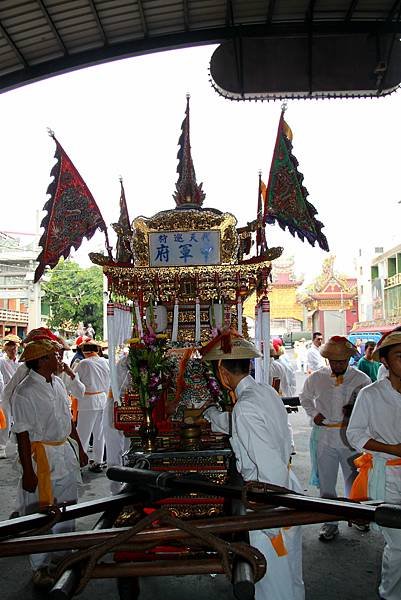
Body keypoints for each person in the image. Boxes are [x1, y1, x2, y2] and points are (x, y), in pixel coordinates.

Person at [201, 331, 304, 600]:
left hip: (270, 499)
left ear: (222, 372)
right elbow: (237, 421)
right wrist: (209, 413)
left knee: (272, 581)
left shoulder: (245, 407)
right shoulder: (264, 392)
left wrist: (267, 522)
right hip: (285, 491)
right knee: (290, 575)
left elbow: (269, 472)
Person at [10, 339, 87, 588]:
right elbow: (22, 435)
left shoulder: (55, 382)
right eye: (55, 356)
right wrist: (28, 473)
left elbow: (67, 418)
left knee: (67, 506)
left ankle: (63, 553)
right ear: (42, 360)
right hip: (40, 457)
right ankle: (40, 567)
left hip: (64, 452)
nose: (60, 360)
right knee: (40, 513)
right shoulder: (24, 392)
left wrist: (81, 448)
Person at [299, 335, 371, 541]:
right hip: (325, 438)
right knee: (327, 483)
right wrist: (314, 414)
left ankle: (357, 516)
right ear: (327, 359)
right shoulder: (316, 378)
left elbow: (368, 407)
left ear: (349, 359)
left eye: (342, 361)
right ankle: (330, 522)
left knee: (354, 480)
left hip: (351, 439)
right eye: (334, 361)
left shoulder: (361, 379)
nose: (338, 364)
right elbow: (304, 398)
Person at [347, 330, 401, 600]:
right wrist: (390, 448)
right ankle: (390, 595)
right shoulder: (371, 394)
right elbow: (354, 435)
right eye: (400, 356)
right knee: (400, 544)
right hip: (388, 474)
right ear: (386, 362)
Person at [74, 338, 110, 473]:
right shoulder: (106, 362)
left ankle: (80, 462)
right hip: (102, 399)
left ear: (84, 352)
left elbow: (74, 382)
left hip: (89, 401)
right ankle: (98, 461)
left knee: (83, 433)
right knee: (99, 433)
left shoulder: (84, 363)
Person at [0, 334, 21, 458]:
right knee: (6, 420)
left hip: (19, 393)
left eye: (15, 348)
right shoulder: (2, 361)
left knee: (21, 420)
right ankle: (2, 446)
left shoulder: (20, 362)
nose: (13, 351)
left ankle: (21, 446)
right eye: (10, 348)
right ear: (6, 349)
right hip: (7, 393)